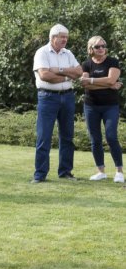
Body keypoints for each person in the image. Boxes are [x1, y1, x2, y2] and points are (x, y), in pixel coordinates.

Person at [31, 24, 83, 183]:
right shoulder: (42, 52)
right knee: (44, 136)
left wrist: (58, 70)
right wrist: (68, 74)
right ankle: (40, 175)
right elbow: (45, 75)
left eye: (66, 37)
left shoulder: (68, 53)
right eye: (62, 37)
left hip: (67, 97)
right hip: (47, 97)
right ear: (53, 38)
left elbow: (79, 72)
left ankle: (65, 172)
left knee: (67, 136)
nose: (65, 40)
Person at [80, 36, 123, 183]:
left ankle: (119, 171)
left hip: (110, 106)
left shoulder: (113, 62)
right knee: (95, 139)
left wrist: (93, 81)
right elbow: (85, 85)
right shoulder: (86, 64)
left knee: (111, 137)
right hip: (91, 106)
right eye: (97, 46)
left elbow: (111, 79)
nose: (101, 48)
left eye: (103, 45)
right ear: (91, 49)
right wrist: (108, 84)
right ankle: (101, 171)